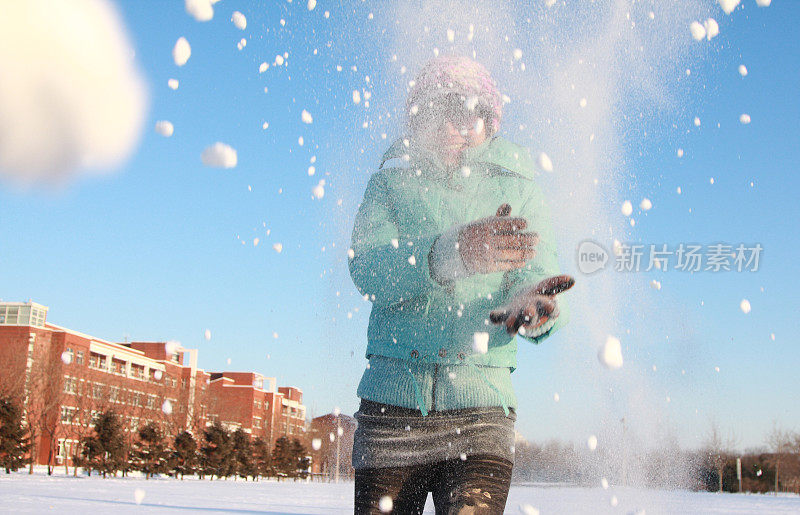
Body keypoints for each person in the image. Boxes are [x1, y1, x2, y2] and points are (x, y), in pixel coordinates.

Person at [348, 55, 575, 514]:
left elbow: (537, 270)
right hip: (392, 411)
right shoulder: (389, 186)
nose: (457, 124)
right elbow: (368, 269)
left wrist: (535, 303)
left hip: (481, 412)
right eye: (442, 110)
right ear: (419, 118)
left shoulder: (520, 188)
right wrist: (448, 253)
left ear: (490, 123)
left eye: (471, 111)